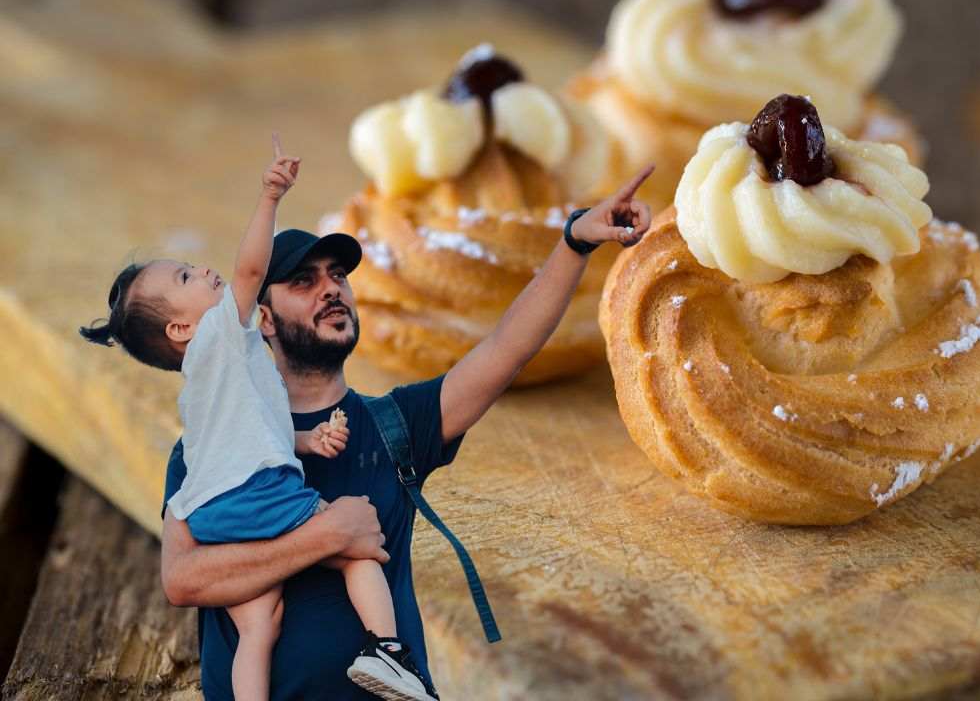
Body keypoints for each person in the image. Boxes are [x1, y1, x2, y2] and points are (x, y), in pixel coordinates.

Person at [153, 152, 656, 698]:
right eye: (304, 280)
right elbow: (183, 580)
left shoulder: (396, 424)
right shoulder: (209, 447)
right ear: (263, 318)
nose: (331, 288)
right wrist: (328, 535)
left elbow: (508, 346)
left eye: (339, 276)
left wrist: (575, 241)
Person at [80, 136, 436, 700]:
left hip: (209, 513)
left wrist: (308, 439)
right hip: (255, 496)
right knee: (356, 543)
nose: (202, 269)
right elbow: (250, 269)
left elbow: (251, 439)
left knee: (258, 622)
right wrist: (271, 196)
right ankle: (389, 652)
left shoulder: (215, 389)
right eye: (184, 279)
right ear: (181, 330)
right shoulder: (221, 334)